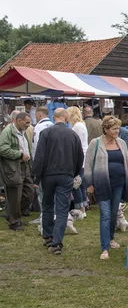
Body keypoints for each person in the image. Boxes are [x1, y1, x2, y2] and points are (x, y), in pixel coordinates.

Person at [32, 108, 84, 255]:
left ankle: (48, 236)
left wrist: (36, 176)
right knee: (62, 210)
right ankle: (57, 243)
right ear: (66, 118)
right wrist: (73, 173)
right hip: (66, 174)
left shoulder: (46, 133)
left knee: (47, 205)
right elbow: (80, 157)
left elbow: (40, 156)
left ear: (54, 117)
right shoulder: (73, 134)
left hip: (48, 175)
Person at [84, 116, 128, 260]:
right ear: (105, 129)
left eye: (118, 128)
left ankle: (111, 238)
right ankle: (104, 247)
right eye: (114, 129)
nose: (117, 131)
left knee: (113, 213)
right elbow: (88, 164)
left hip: (119, 183)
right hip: (102, 183)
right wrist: (89, 184)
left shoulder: (122, 143)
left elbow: (126, 160)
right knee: (105, 215)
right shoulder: (96, 143)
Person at [0, 112, 34, 231]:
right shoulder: (7, 132)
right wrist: (19, 155)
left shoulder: (22, 132)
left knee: (29, 194)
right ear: (18, 121)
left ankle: (11, 214)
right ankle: (14, 222)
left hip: (24, 167)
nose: (29, 125)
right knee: (14, 196)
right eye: (26, 122)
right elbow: (3, 149)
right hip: (13, 168)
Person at [29, 107, 54, 225]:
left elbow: (38, 148)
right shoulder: (53, 126)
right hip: (53, 163)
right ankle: (51, 214)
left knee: (41, 192)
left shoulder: (38, 128)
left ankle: (43, 215)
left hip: (42, 165)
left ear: (39, 114)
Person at [67, 106, 89, 216]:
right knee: (80, 184)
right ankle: (82, 207)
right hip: (83, 158)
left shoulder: (77, 127)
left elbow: (77, 144)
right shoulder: (81, 125)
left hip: (79, 159)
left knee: (76, 184)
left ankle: (80, 209)